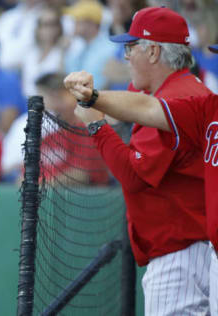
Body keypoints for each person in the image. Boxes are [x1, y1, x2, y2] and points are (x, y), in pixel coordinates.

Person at [70, 6, 213, 315]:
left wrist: (96, 124)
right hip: (191, 250)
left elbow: (134, 176)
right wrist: (92, 99)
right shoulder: (178, 87)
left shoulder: (177, 97)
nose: (125, 55)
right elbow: (132, 98)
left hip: (180, 258)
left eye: (131, 47)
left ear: (153, 53)